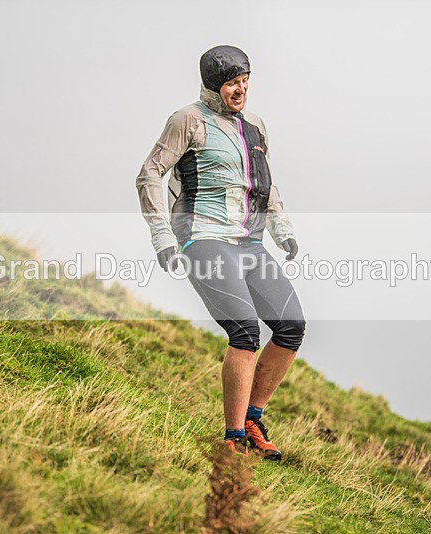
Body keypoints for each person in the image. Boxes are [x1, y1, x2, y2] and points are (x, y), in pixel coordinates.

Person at [136, 45, 306, 459]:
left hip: (249, 241)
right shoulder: (188, 120)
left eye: (245, 81)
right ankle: (232, 440)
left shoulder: (256, 127)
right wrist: (162, 235)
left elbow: (266, 181)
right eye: (232, 82)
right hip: (204, 238)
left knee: (291, 327)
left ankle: (252, 418)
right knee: (245, 332)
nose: (241, 89)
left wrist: (281, 227)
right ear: (214, 85)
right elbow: (150, 173)